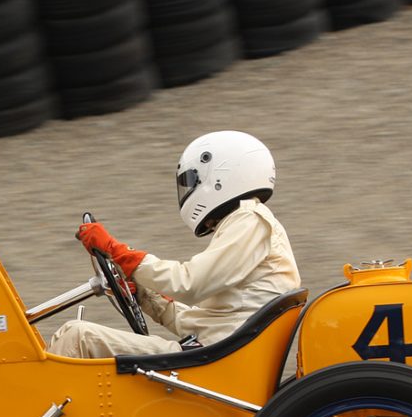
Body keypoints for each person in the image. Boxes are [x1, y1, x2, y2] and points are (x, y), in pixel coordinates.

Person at [48, 130, 301, 359]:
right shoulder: (247, 227)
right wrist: (145, 296)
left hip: (213, 361)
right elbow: (196, 323)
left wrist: (119, 253)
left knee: (76, 336)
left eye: (191, 182)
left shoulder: (250, 220)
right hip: (218, 355)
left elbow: (190, 284)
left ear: (221, 176)